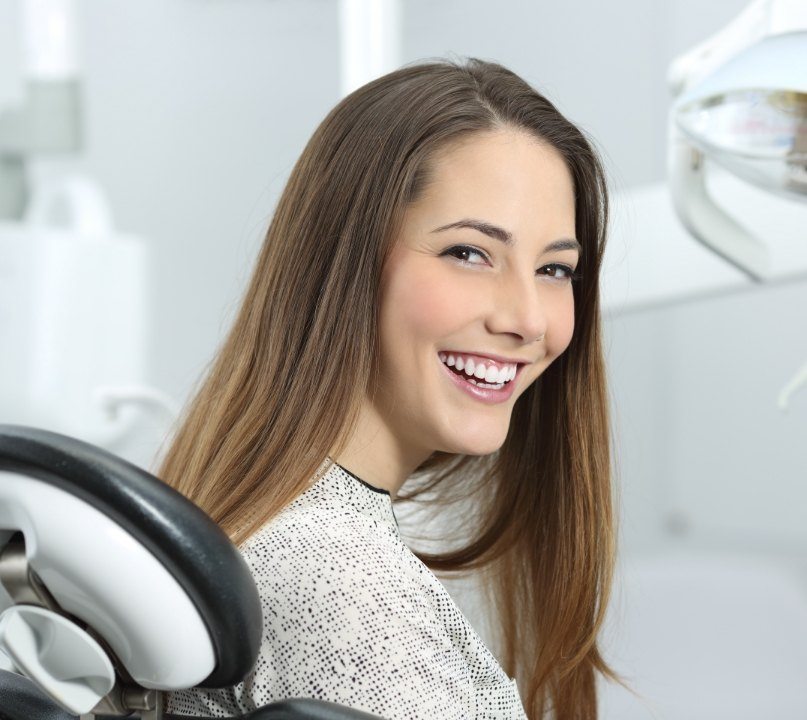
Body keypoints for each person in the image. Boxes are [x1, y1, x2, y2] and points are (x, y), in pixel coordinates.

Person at [161, 57, 624, 720]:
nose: (525, 319)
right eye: (468, 252)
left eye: (554, 269)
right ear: (345, 265)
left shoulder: (289, 535)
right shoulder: (341, 581)